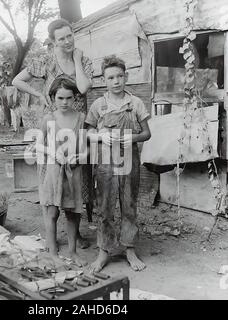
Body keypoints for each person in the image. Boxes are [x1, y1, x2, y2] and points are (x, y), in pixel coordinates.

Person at [12, 18, 93, 249]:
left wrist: (75, 59)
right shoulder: (46, 61)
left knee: (77, 181)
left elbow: (84, 88)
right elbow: (17, 80)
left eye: (70, 36)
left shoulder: (84, 61)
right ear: (52, 41)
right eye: (61, 38)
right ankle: (52, 236)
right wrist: (38, 95)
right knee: (52, 178)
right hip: (52, 126)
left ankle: (74, 235)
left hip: (77, 127)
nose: (67, 41)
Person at [85, 55, 151, 272]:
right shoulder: (99, 105)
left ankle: (129, 249)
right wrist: (100, 135)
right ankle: (104, 251)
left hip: (130, 163)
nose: (116, 81)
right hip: (105, 165)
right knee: (105, 208)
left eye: (120, 76)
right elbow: (87, 132)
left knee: (129, 206)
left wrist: (132, 137)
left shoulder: (136, 104)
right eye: (111, 77)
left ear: (126, 77)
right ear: (104, 80)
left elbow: (147, 133)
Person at [35, 77, 88, 267]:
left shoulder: (81, 118)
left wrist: (79, 157)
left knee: (73, 212)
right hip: (53, 170)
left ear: (75, 98)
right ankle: (53, 253)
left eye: (68, 98)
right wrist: (53, 152)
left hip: (73, 171)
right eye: (60, 98)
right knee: (52, 212)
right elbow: (38, 146)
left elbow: (85, 148)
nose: (64, 102)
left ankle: (73, 252)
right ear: (53, 97)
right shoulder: (48, 119)